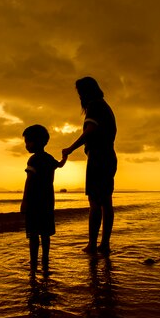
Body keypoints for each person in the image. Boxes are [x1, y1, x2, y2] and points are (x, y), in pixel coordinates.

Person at [63, 77, 117, 254]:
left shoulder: (95, 106)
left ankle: (92, 245)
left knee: (95, 203)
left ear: (86, 91)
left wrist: (70, 148)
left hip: (98, 158)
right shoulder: (105, 106)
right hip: (109, 156)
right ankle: (105, 244)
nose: (79, 96)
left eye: (80, 92)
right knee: (106, 202)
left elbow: (90, 131)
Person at [21, 124, 67, 271]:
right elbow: (60, 165)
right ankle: (45, 259)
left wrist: (24, 201)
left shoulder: (33, 160)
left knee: (34, 234)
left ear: (38, 141)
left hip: (34, 202)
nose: (26, 145)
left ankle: (33, 263)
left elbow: (28, 182)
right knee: (45, 234)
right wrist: (65, 156)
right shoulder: (49, 159)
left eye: (28, 141)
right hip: (47, 202)